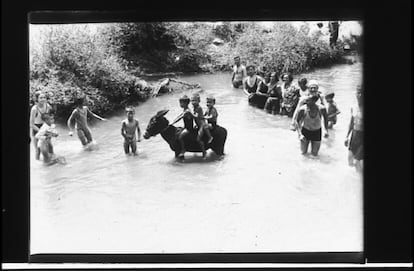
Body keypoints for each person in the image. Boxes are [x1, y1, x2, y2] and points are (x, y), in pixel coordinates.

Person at [345, 85, 363, 173]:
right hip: (354, 136)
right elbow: (351, 123)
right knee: (350, 161)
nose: (359, 95)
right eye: (358, 93)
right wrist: (346, 136)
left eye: (362, 93)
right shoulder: (353, 107)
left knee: (356, 162)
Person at [30, 91, 53, 160]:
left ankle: (52, 159)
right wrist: (41, 132)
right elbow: (31, 124)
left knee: (49, 146)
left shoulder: (48, 106)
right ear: (37, 99)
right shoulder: (34, 109)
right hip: (36, 128)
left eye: (44, 97)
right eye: (40, 98)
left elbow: (51, 118)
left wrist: (51, 128)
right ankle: (38, 165)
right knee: (38, 150)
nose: (43, 99)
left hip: (45, 127)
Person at [191, 93, 212, 158]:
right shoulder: (194, 107)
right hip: (198, 124)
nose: (193, 102)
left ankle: (204, 152)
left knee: (198, 139)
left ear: (199, 101)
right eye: (192, 100)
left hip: (202, 125)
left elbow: (196, 116)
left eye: (195, 100)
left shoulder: (199, 108)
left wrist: (190, 113)